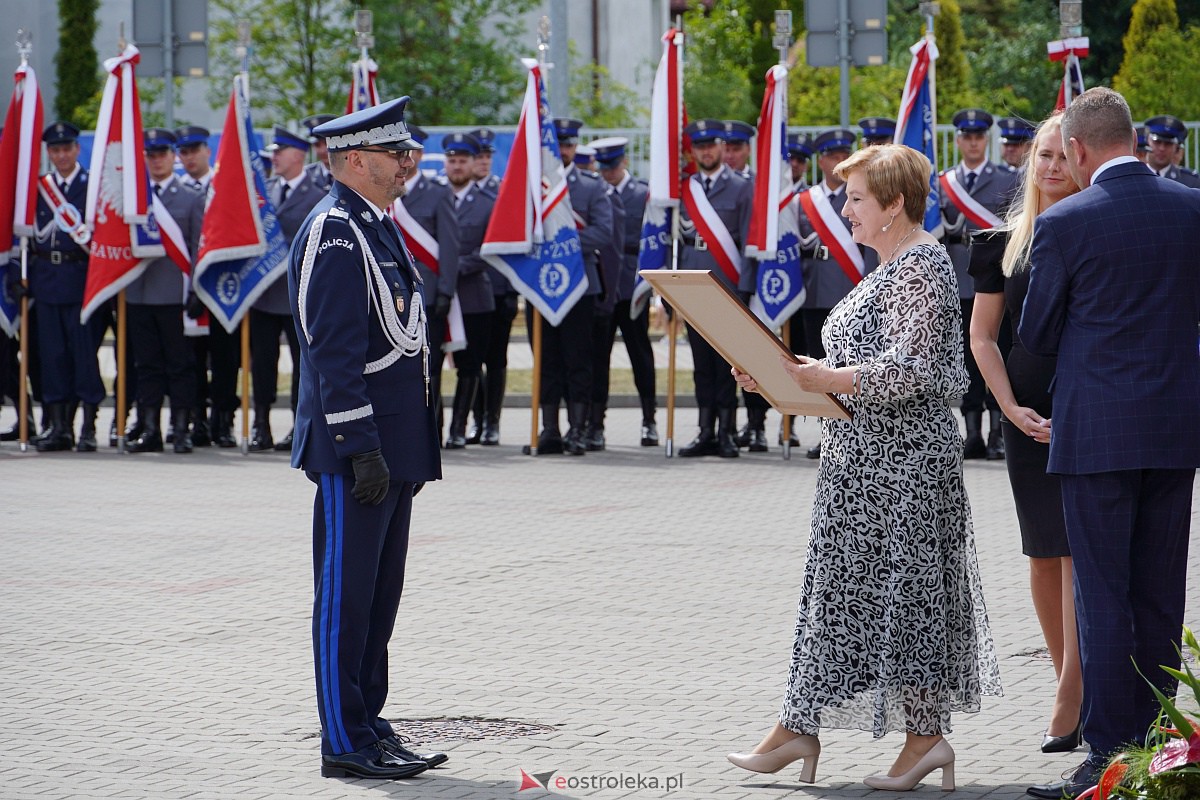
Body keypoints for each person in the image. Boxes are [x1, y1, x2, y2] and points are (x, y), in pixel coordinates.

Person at [728, 143, 1000, 791]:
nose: (844, 209)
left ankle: (926, 739)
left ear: (894, 204)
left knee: (907, 602)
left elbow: (907, 372)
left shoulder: (923, 265)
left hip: (905, 471)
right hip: (858, 467)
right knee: (842, 597)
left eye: (855, 198)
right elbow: (851, 375)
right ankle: (798, 726)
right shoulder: (885, 269)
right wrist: (775, 379)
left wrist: (822, 374)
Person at [1020, 87, 1200, 800]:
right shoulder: (1192, 209)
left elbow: (1035, 334)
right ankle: (1162, 747)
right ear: (1133, 137)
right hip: (1174, 429)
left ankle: (1107, 758)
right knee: (1160, 594)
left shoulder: (1065, 222)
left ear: (1078, 150)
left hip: (1096, 431)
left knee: (1102, 598)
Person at [289, 96, 447, 780]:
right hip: (357, 449)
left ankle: (369, 723)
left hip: (394, 445)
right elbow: (332, 352)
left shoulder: (377, 227)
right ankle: (343, 743)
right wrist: (361, 445)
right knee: (345, 602)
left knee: (379, 600)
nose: (406, 162)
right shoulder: (334, 231)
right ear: (356, 160)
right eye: (394, 154)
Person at [967, 113, 1084, 760]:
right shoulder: (1000, 243)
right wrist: (1007, 407)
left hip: (1086, 413)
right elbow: (984, 337)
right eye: (1041, 156)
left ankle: (1071, 696)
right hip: (1024, 418)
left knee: (1074, 554)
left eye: (1062, 156)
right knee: (1042, 553)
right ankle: (1071, 680)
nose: (1049, 167)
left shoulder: (1093, 231)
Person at [528, 118, 613, 456]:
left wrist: (561, 239)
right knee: (546, 360)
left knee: (578, 360)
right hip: (542, 285)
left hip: (580, 285)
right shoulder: (534, 186)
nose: (562, 151)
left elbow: (602, 232)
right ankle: (550, 429)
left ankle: (578, 429)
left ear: (575, 148)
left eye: (568, 145)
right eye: (557, 144)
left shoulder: (591, 187)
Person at [939, 109, 1019, 460]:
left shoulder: (1008, 179)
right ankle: (971, 432)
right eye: (966, 136)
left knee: (997, 350)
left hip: (995, 280)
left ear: (986, 140)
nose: (972, 142)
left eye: (978, 136)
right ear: (958, 140)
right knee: (965, 357)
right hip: (957, 278)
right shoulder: (943, 183)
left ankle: (997, 432)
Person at [795, 127, 879, 459]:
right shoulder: (804, 201)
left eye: (844, 155)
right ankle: (826, 429)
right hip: (816, 290)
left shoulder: (861, 196)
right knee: (820, 362)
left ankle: (857, 425)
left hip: (852, 288)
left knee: (854, 363)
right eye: (831, 156)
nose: (838, 162)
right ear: (820, 159)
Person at [24, 122, 105, 452]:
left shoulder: (92, 185)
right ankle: (58, 426)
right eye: (54, 150)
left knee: (83, 355)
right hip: (46, 278)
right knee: (52, 355)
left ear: (76, 150)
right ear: (48, 153)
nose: (61, 155)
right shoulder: (39, 188)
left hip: (81, 277)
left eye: (66, 149)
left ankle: (87, 425)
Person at [125, 128, 205, 454]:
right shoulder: (133, 198)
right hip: (138, 294)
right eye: (151, 155)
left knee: (180, 365)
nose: (156, 160)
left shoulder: (190, 197)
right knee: (146, 366)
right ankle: (150, 429)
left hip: (174, 295)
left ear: (173, 157)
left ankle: (182, 429)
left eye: (162, 154)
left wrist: (197, 288)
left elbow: (198, 246)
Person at [676, 119, 752, 458]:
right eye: (699, 146)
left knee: (729, 366)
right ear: (692, 151)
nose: (706, 151)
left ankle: (727, 432)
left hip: (728, 286)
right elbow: (673, 241)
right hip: (692, 289)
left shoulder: (742, 187)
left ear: (722, 148)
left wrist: (746, 288)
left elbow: (750, 241)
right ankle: (705, 430)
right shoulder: (683, 189)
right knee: (701, 364)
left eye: (712, 145)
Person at [247, 126, 325, 452]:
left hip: (298, 296)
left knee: (302, 365)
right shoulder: (265, 190)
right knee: (261, 363)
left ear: (297, 155)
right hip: (264, 294)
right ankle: (260, 423)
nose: (273, 157)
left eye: (280, 151)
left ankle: (299, 424)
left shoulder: (318, 194)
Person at [590, 136, 658, 447]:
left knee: (640, 354)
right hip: (604, 283)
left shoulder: (642, 193)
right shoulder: (597, 191)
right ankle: (596, 423)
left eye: (613, 167)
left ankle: (649, 420)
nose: (609, 174)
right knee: (597, 357)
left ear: (624, 163)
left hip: (633, 283)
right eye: (604, 168)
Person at [176, 124, 238, 448]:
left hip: (222, 288)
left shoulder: (223, 187)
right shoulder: (176, 191)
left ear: (207, 151)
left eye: (194, 150)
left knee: (226, 360)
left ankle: (223, 420)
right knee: (192, 359)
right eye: (183, 152)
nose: (189, 157)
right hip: (188, 288)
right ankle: (196, 418)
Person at [440, 132, 495, 449]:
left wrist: (451, 266)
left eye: (463, 161)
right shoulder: (432, 197)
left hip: (474, 296)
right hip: (439, 297)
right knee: (433, 365)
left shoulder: (489, 204)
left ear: (474, 164)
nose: (457, 166)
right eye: (452, 160)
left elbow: (488, 251)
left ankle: (460, 427)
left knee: (470, 365)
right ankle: (436, 427)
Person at [1142, 114, 1200, 188]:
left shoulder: (1191, 182)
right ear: (1147, 141)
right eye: (1157, 142)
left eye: (1168, 144)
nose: (1162, 148)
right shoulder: (1135, 177)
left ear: (1176, 148)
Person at [300, 113, 336, 191]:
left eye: (327, 143)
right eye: (317, 145)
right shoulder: (306, 175)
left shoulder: (350, 173)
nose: (323, 150)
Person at [468, 127, 502, 194]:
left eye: (488, 157)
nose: (485, 162)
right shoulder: (455, 187)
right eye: (479, 157)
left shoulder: (501, 187)